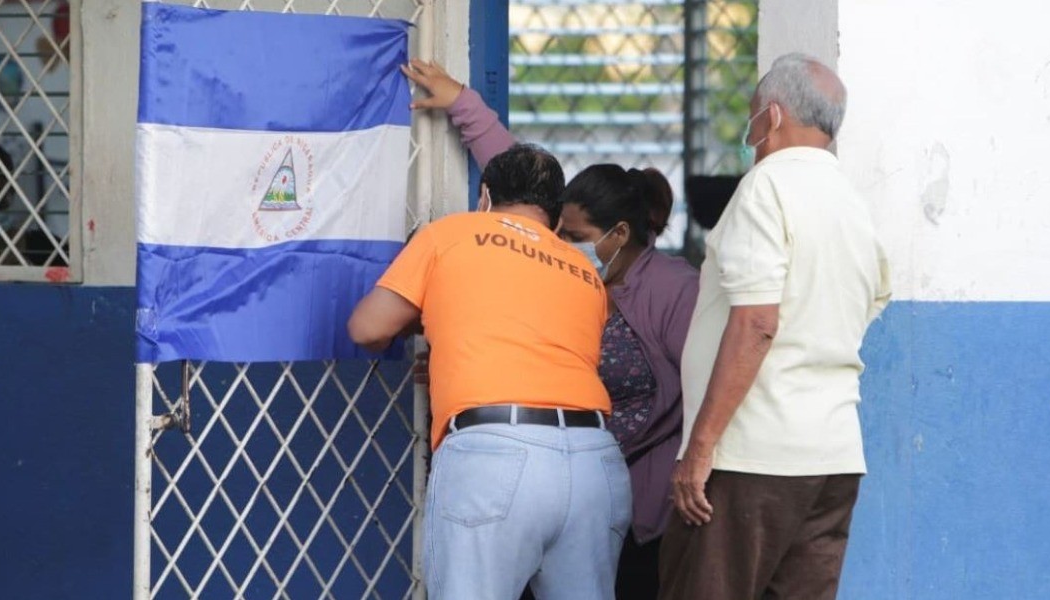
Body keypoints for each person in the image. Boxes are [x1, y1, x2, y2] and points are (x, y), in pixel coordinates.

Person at [402, 59, 701, 599]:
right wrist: (463, 104)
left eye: (577, 235)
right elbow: (517, 194)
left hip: (635, 497)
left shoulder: (671, 288)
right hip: (549, 477)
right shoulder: (560, 263)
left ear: (619, 233)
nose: (560, 242)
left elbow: (697, 385)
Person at [348, 144, 631, 600]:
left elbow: (367, 328)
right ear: (557, 218)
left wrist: (427, 324)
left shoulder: (451, 234)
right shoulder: (584, 269)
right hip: (594, 461)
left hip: (496, 456)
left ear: (484, 196)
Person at [661, 52, 891, 599]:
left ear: (773, 115)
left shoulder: (765, 189)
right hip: (832, 458)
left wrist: (701, 449)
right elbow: (872, 301)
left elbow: (758, 321)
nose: (752, 133)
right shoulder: (853, 205)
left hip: (751, 459)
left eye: (752, 118)